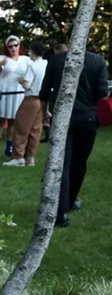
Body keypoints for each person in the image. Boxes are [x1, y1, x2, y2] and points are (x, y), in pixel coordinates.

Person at [40, 43, 110, 227]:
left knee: (61, 163)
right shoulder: (98, 61)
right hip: (86, 117)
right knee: (79, 162)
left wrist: (43, 114)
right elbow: (102, 94)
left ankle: (60, 211)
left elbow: (44, 92)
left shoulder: (56, 60)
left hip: (62, 116)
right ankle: (70, 200)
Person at [3, 41, 48, 167]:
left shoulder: (33, 66)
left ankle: (18, 157)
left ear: (33, 52)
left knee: (21, 128)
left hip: (30, 99)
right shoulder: (46, 64)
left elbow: (27, 85)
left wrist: (21, 80)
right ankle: (30, 157)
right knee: (35, 130)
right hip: (42, 100)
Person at [0, 35, 30, 158]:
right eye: (10, 46)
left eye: (15, 45)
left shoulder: (26, 59)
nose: (13, 48)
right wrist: (1, 63)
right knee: (1, 121)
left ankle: (9, 147)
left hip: (18, 92)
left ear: (19, 45)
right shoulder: (2, 58)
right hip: (4, 91)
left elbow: (31, 74)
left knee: (13, 121)